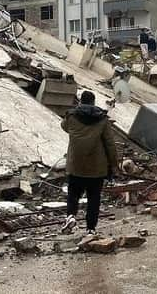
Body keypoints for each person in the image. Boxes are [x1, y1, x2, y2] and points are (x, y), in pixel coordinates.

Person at [60, 91, 117, 235]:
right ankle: (90, 229)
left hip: (76, 165)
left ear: (80, 101)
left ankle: (71, 216)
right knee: (94, 198)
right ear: (93, 102)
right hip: (97, 168)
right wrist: (114, 164)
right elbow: (110, 144)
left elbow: (64, 126)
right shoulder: (103, 119)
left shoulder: (71, 116)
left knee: (73, 193)